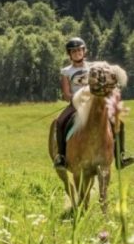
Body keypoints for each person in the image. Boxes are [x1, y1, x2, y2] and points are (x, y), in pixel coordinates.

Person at [54, 37, 133, 169]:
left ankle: (120, 156)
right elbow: (66, 94)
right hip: (76, 105)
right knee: (60, 121)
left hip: (95, 103)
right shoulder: (66, 72)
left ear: (84, 51)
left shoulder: (93, 67)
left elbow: (108, 72)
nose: (77, 53)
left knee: (119, 122)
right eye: (73, 51)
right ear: (69, 54)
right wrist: (77, 98)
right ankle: (61, 156)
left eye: (79, 50)